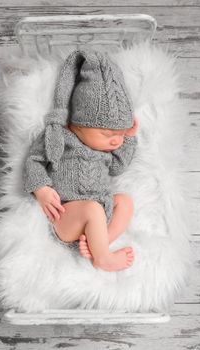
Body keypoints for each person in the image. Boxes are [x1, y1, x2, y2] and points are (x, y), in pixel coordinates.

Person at [22, 48, 138, 272]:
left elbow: (118, 167)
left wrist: (130, 139)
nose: (115, 141)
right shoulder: (59, 136)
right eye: (107, 134)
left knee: (125, 202)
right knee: (92, 210)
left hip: (100, 214)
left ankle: (101, 243)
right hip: (67, 217)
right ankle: (103, 258)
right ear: (79, 123)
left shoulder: (106, 152)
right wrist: (42, 190)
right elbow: (33, 161)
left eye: (120, 134)